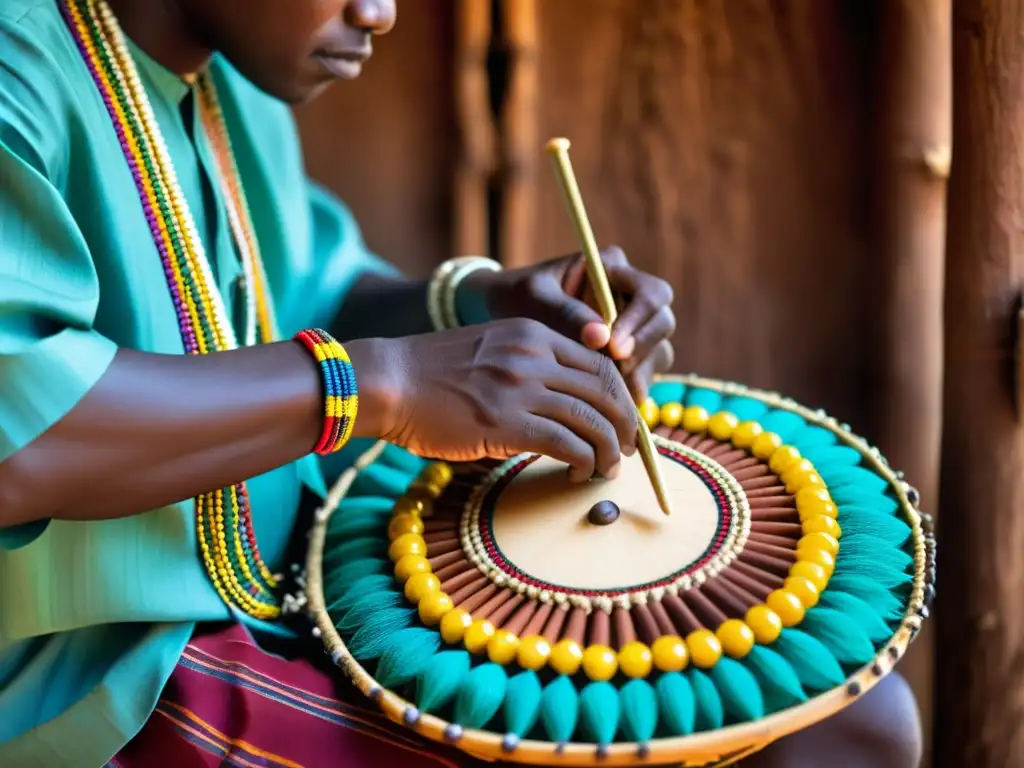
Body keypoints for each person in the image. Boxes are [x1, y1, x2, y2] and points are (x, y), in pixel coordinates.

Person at [0, 1, 922, 766]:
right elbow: (25, 437)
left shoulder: (229, 85)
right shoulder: (19, 68)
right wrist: (382, 383)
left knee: (856, 724)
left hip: (283, 599)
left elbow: (306, 300)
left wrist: (479, 306)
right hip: (104, 684)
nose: (380, 13)